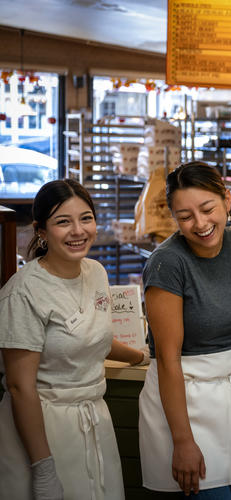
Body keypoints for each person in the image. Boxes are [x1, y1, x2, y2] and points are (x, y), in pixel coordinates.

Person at [0, 179, 148, 500]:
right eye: (63, 222)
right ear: (41, 231)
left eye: (86, 218)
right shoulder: (23, 292)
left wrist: (140, 357)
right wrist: (43, 468)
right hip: (43, 429)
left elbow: (96, 339)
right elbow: (19, 387)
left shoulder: (96, 272)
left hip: (94, 419)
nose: (78, 231)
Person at [138, 162, 231, 499]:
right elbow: (167, 359)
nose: (200, 224)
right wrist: (182, 441)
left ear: (226, 200)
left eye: (207, 208)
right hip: (184, 405)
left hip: (229, 397)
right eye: (185, 216)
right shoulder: (167, 263)